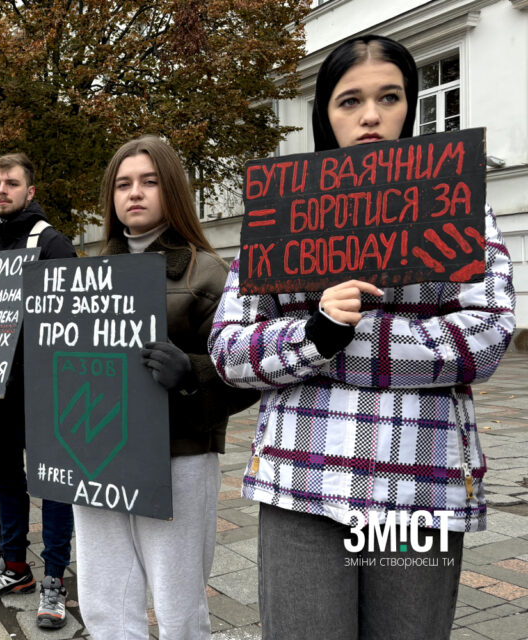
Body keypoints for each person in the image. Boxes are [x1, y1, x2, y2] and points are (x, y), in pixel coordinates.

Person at [208, 35, 516, 639]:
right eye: (350, 101)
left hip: (419, 475)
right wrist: (315, 334)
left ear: (411, 105)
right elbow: (228, 349)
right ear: (326, 112)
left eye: (389, 97)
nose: (370, 115)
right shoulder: (283, 210)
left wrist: (338, 342)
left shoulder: (458, 204)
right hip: (302, 479)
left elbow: (488, 334)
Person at [73, 136, 258, 640]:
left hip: (178, 456)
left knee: (178, 606)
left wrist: (193, 375)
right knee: (105, 599)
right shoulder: (81, 277)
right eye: (123, 183)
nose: (135, 193)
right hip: (96, 453)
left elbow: (248, 375)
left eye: (149, 182)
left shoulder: (209, 272)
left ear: (172, 189)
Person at [0, 153, 76, 630]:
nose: (2, 190)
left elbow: (72, 319)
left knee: (53, 485)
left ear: (30, 191)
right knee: (7, 482)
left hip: (42, 392)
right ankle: (15, 567)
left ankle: (54, 578)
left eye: (11, 183)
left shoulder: (51, 243)